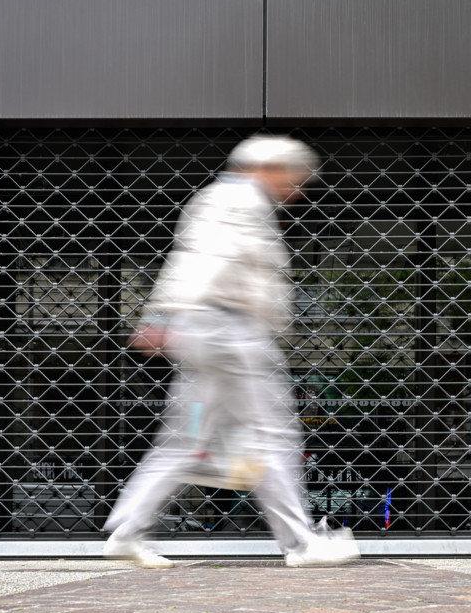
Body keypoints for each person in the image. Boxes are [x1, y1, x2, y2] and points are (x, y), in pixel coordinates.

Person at [102, 135, 360, 569]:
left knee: (184, 442)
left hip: (204, 331)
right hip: (229, 331)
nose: (296, 191)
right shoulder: (241, 199)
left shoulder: (219, 197)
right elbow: (209, 259)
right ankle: (302, 543)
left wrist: (167, 316)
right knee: (274, 437)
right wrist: (165, 316)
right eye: (295, 179)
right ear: (271, 168)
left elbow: (191, 257)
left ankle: (127, 530)